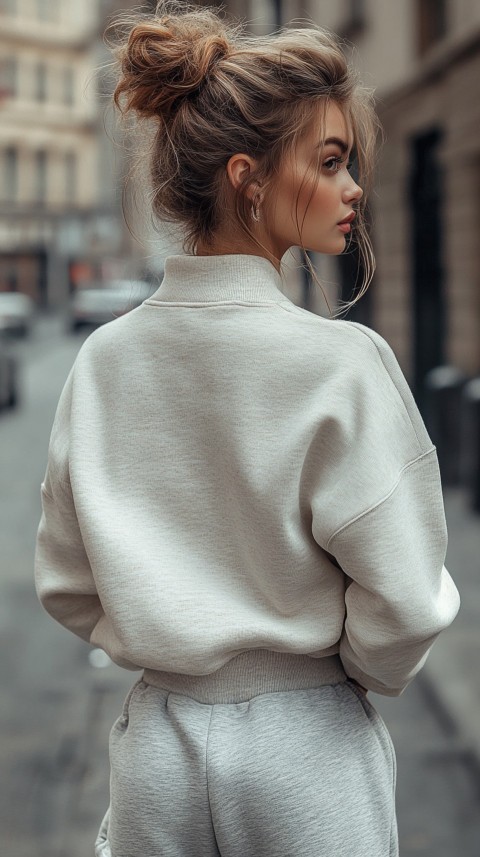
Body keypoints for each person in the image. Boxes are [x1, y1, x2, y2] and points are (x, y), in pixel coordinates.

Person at [34, 2, 460, 855]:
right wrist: (338, 671)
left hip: (159, 747)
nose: (353, 189)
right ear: (248, 177)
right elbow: (405, 602)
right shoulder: (342, 362)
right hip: (310, 751)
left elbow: (70, 582)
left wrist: (172, 639)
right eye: (331, 161)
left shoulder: (105, 361)